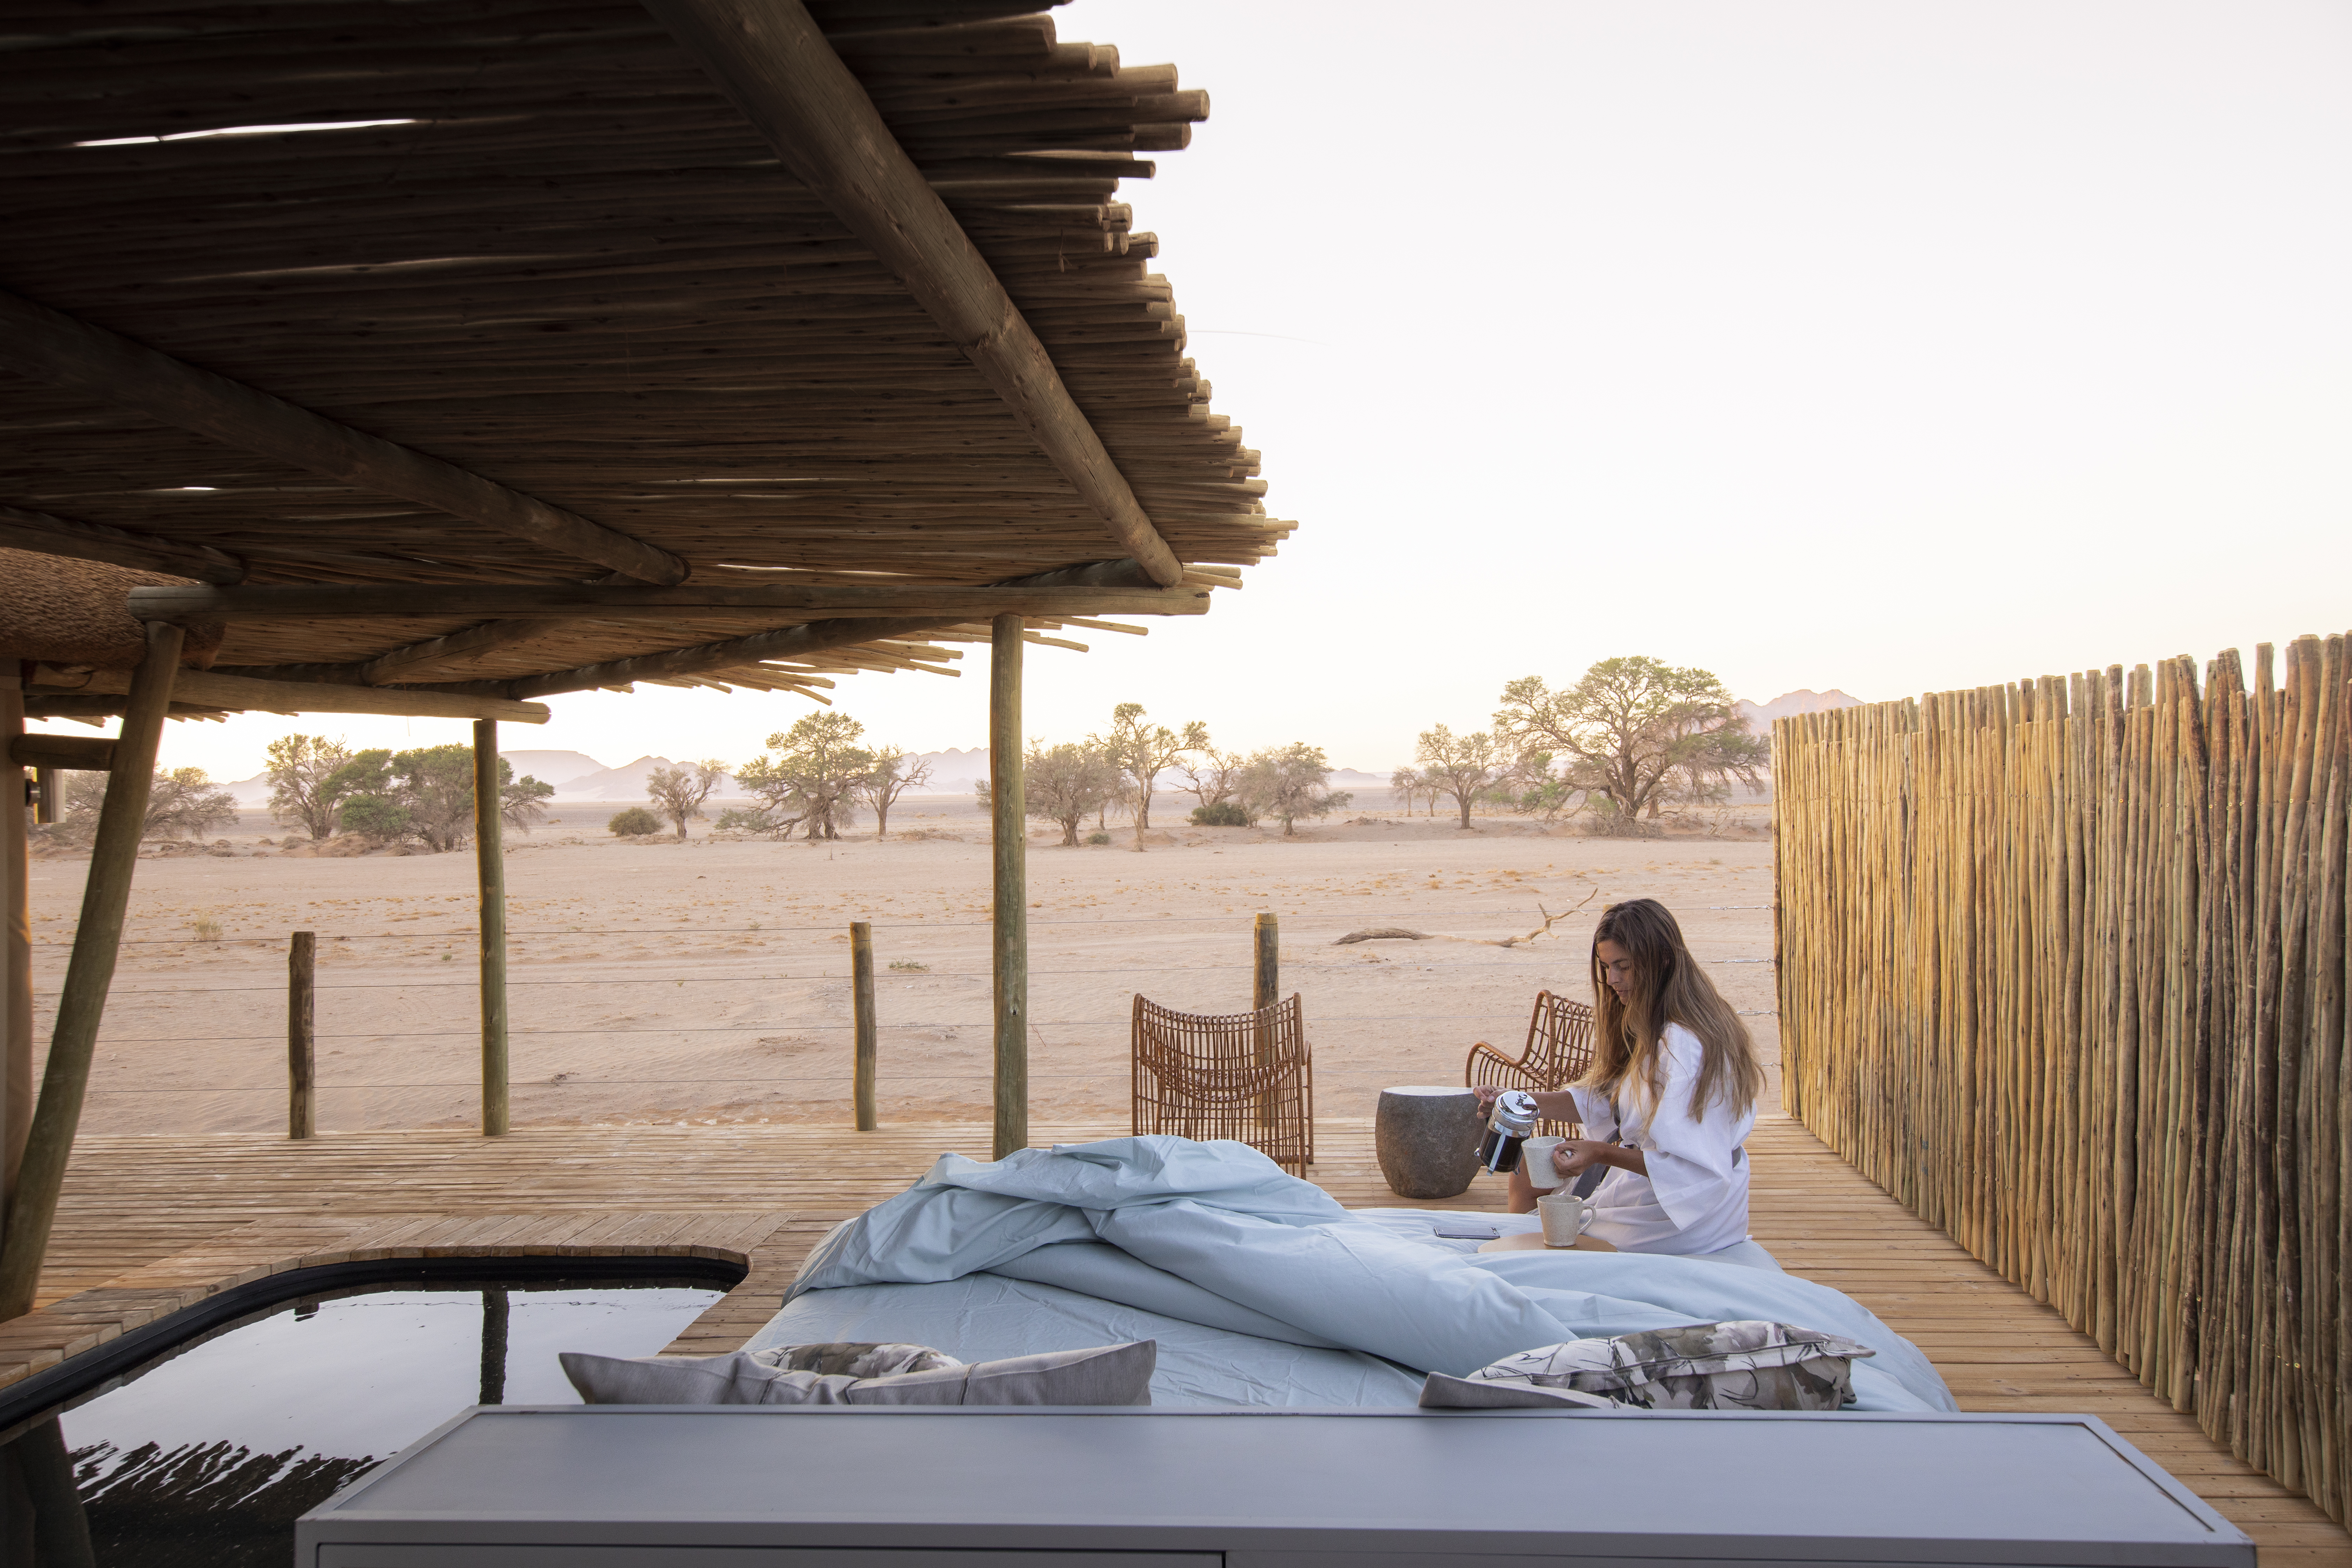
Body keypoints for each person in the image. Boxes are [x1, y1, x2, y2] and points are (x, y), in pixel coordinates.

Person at [1474, 897, 1764, 1255]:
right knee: (1527, 1179)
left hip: (1683, 1214)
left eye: (1623, 967)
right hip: (1659, 1191)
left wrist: (1599, 1153)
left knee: (1547, 1242)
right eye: (1607, 966)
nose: (1611, 980)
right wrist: (1519, 1102)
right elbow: (1608, 1101)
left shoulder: (1682, 1045)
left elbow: (1693, 1170)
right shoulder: (1653, 1024)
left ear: (1662, 960)